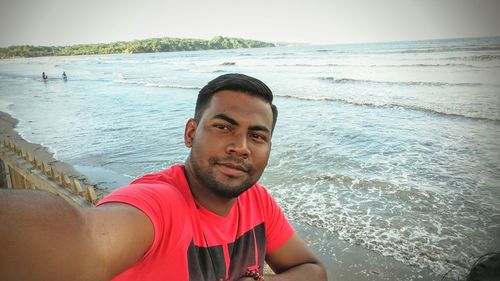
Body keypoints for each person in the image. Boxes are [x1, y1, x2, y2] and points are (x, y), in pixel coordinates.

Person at [0, 73, 327, 281]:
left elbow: (312, 270)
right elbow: (82, 239)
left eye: (257, 136)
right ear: (190, 133)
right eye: (223, 127)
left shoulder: (258, 202)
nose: (240, 147)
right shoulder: (159, 204)